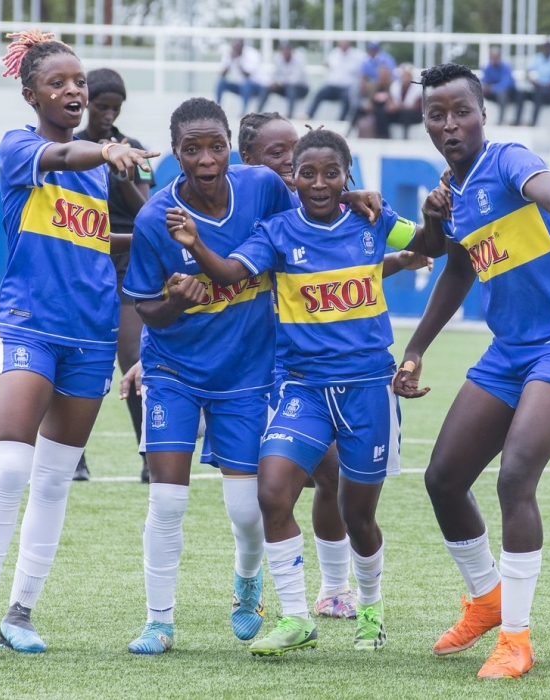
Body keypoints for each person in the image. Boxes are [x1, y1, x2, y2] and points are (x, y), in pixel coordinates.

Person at [165, 128, 425, 655]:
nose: (319, 182)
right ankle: (296, 617)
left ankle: (371, 608)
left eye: (332, 173)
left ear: (349, 176)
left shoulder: (373, 221)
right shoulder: (277, 231)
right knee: (272, 490)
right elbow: (230, 272)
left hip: (368, 389)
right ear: (294, 179)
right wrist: (196, 244)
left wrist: (424, 217)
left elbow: (427, 247)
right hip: (303, 387)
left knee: (358, 514)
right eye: (308, 173)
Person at [0, 29, 157, 655]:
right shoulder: (22, 149)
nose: (72, 90)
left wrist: (159, 240)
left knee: (56, 479)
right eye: (58, 82)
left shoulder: (100, 169)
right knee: (12, 463)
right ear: (30, 93)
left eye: (79, 82)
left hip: (91, 337)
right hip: (28, 326)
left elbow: (98, 241)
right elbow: (67, 160)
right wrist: (109, 151)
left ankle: (21, 612)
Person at [395, 63, 550, 680]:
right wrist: (416, 349)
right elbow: (455, 269)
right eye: (437, 114)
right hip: (510, 351)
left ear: (483, 113)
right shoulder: (450, 191)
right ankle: (486, 598)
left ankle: (516, 638)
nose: (450, 123)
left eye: (461, 110)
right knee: (443, 478)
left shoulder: (510, 159)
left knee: (515, 474)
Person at [234, 111, 431, 619]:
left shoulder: (347, 206)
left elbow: (343, 265)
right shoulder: (248, 203)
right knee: (278, 490)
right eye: (276, 154)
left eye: (289, 150)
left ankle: (336, 589)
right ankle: (254, 577)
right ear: (250, 160)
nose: (284, 162)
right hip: (284, 368)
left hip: (347, 372)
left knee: (331, 482)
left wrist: (391, 241)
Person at [119, 97, 299, 655]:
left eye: (215, 146)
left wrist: (361, 201)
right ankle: (159, 621)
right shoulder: (155, 218)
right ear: (175, 153)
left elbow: (309, 225)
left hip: (246, 371)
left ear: (230, 147)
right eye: (192, 149)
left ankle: (247, 588)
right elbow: (146, 308)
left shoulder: (263, 188)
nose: (205, 159)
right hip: (174, 370)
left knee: (247, 512)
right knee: (167, 501)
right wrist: (174, 300)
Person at [74, 67, 155, 483]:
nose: (107, 114)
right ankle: (73, 457)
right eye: (101, 106)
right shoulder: (69, 148)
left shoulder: (134, 149)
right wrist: (98, 156)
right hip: (82, 260)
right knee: (78, 356)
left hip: (126, 263)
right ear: (86, 103)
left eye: (115, 108)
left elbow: (146, 213)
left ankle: (148, 456)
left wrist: (121, 171)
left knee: (133, 358)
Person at [306, 40, 362, 121]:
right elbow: (328, 64)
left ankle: (341, 120)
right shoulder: (334, 53)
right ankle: (309, 115)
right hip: (333, 85)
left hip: (348, 86)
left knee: (347, 97)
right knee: (319, 93)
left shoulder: (357, 55)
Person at [514, 40, 550, 127]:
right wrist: (533, 81)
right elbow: (528, 71)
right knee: (522, 93)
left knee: (539, 93)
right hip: (539, 89)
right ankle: (517, 121)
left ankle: (533, 123)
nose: (546, 51)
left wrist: (540, 85)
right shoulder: (538, 58)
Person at [256, 43, 310, 117]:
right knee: (266, 88)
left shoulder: (299, 60)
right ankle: (258, 112)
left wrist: (279, 83)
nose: (284, 53)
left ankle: (290, 113)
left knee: (291, 89)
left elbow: (294, 80)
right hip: (284, 87)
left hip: (300, 88)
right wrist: (273, 83)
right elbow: (274, 74)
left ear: (291, 51)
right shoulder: (278, 58)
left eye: (286, 51)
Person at [215, 39, 266, 115]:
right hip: (241, 86)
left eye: (238, 48)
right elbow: (222, 74)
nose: (236, 50)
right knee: (221, 82)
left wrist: (238, 61)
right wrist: (230, 61)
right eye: (234, 48)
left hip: (256, 86)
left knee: (246, 83)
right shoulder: (229, 54)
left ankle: (244, 111)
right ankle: (217, 110)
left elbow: (247, 75)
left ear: (242, 47)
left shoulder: (252, 54)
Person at [386, 63, 425, 138]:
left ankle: (405, 137)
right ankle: (384, 136)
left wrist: (399, 106)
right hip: (399, 113)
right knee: (382, 113)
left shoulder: (417, 86)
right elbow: (391, 104)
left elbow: (415, 106)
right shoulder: (395, 85)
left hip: (414, 115)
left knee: (406, 114)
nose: (405, 77)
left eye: (407, 75)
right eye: (404, 75)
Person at [481, 48, 517, 126]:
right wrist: (484, 87)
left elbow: (505, 84)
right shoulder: (487, 68)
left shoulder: (506, 67)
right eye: (492, 58)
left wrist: (491, 88)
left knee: (502, 94)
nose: (494, 60)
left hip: (509, 92)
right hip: (494, 92)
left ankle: (501, 120)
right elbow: (484, 80)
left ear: (500, 57)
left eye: (496, 58)